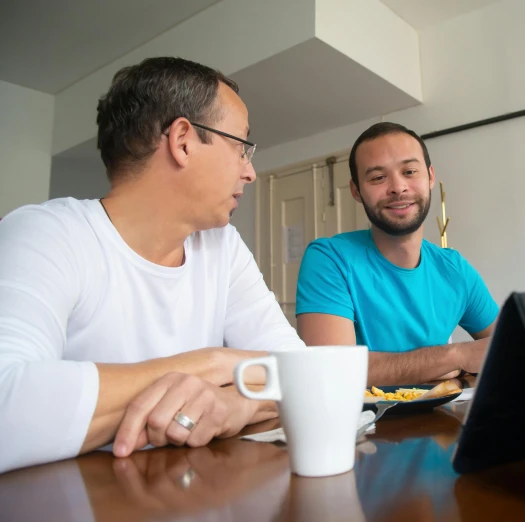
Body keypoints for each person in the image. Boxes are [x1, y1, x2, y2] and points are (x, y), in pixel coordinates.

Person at [0, 57, 304, 474]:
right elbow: (8, 407)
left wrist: (237, 401)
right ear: (182, 141)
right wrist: (209, 364)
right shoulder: (46, 234)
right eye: (241, 148)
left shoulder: (222, 245)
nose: (249, 172)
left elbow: (304, 373)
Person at [295, 122, 498, 385]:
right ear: (356, 191)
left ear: (430, 176)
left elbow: (509, 347)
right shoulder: (329, 258)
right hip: (363, 425)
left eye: (410, 171)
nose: (398, 187)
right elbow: (333, 370)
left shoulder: (455, 269)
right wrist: (454, 357)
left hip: (443, 421)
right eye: (378, 177)